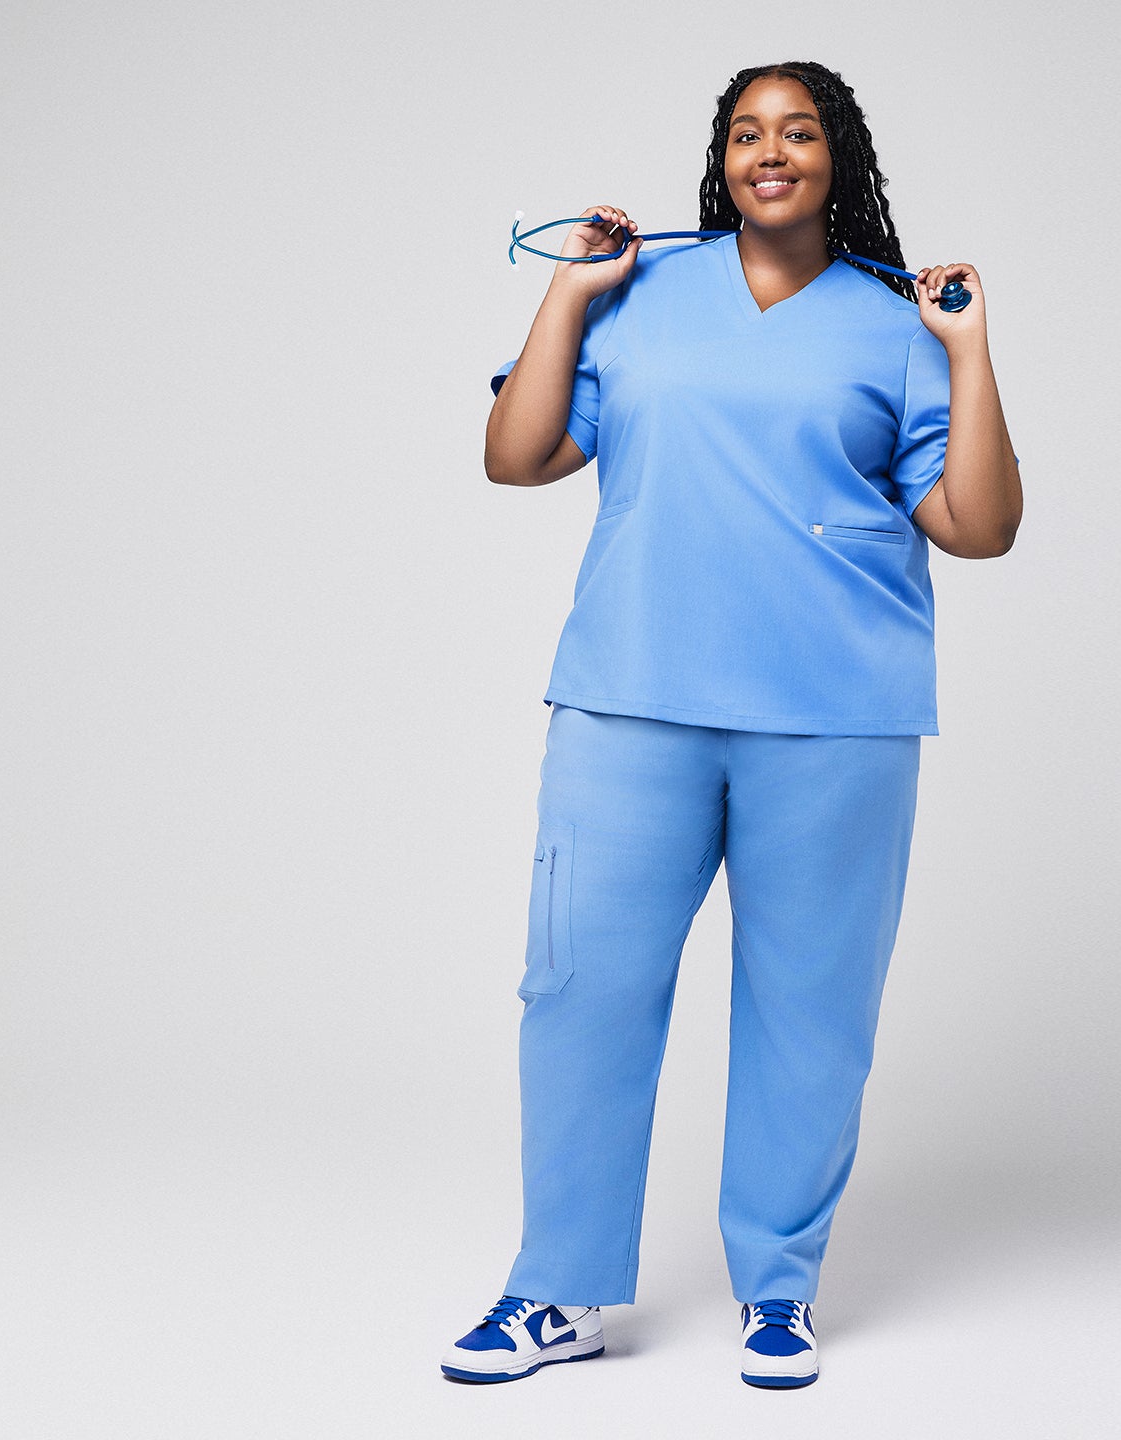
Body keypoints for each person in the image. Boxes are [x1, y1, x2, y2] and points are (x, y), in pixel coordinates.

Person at [441, 59, 1022, 1391]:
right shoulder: (640, 292)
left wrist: (972, 348)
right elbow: (516, 455)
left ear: (839, 157)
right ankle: (558, 1292)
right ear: (721, 159)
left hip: (834, 716)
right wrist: (567, 290)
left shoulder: (895, 321)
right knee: (578, 993)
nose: (772, 153)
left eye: (799, 132)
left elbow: (980, 528)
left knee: (808, 1013)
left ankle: (778, 1291)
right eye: (747, 133)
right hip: (632, 699)